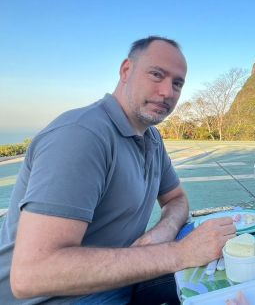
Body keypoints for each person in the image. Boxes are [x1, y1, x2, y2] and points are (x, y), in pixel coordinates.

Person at [0, 36, 237, 304]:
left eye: (177, 83)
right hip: (58, 298)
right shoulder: (81, 135)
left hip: (121, 280)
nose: (167, 92)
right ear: (126, 70)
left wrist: (164, 231)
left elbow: (177, 199)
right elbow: (32, 274)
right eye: (156, 75)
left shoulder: (152, 139)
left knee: (239, 276)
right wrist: (181, 253)